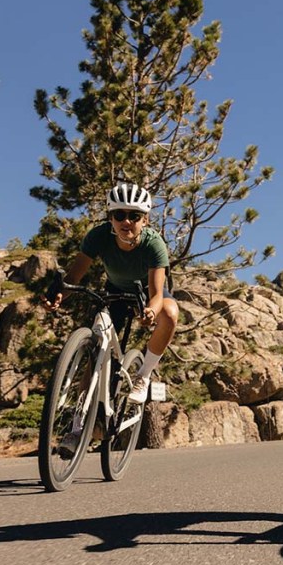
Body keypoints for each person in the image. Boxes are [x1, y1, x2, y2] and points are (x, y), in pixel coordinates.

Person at [42, 183, 180, 457]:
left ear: (145, 219)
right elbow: (73, 278)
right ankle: (76, 429)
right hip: (116, 291)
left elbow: (155, 295)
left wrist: (151, 311)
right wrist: (60, 295)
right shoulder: (98, 237)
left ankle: (142, 376)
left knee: (170, 313)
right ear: (110, 218)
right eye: (119, 215)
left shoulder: (154, 245)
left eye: (134, 215)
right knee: (94, 355)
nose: (126, 221)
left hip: (148, 292)